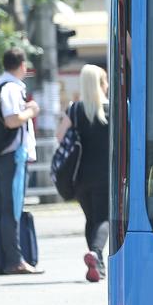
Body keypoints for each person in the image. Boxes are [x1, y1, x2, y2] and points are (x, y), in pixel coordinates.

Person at [0, 48, 42, 274]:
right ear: (21, 65)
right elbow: (12, 120)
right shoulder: (11, 88)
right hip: (13, 155)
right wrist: (31, 110)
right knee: (12, 209)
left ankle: (2, 260)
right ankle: (15, 260)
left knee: (0, 209)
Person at [58, 64, 110, 283]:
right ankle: (97, 254)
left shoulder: (75, 110)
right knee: (104, 218)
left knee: (90, 218)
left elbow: (60, 136)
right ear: (100, 83)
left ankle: (96, 263)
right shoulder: (112, 109)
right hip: (106, 175)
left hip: (79, 175)